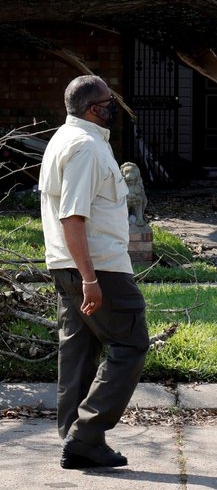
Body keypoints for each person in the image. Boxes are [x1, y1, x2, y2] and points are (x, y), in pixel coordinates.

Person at [39, 75, 150, 469]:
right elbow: (73, 216)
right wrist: (90, 279)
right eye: (108, 100)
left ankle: (78, 441)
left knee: (79, 353)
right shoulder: (85, 147)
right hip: (97, 267)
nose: (113, 105)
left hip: (68, 263)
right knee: (131, 343)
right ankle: (85, 435)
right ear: (93, 108)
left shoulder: (65, 139)